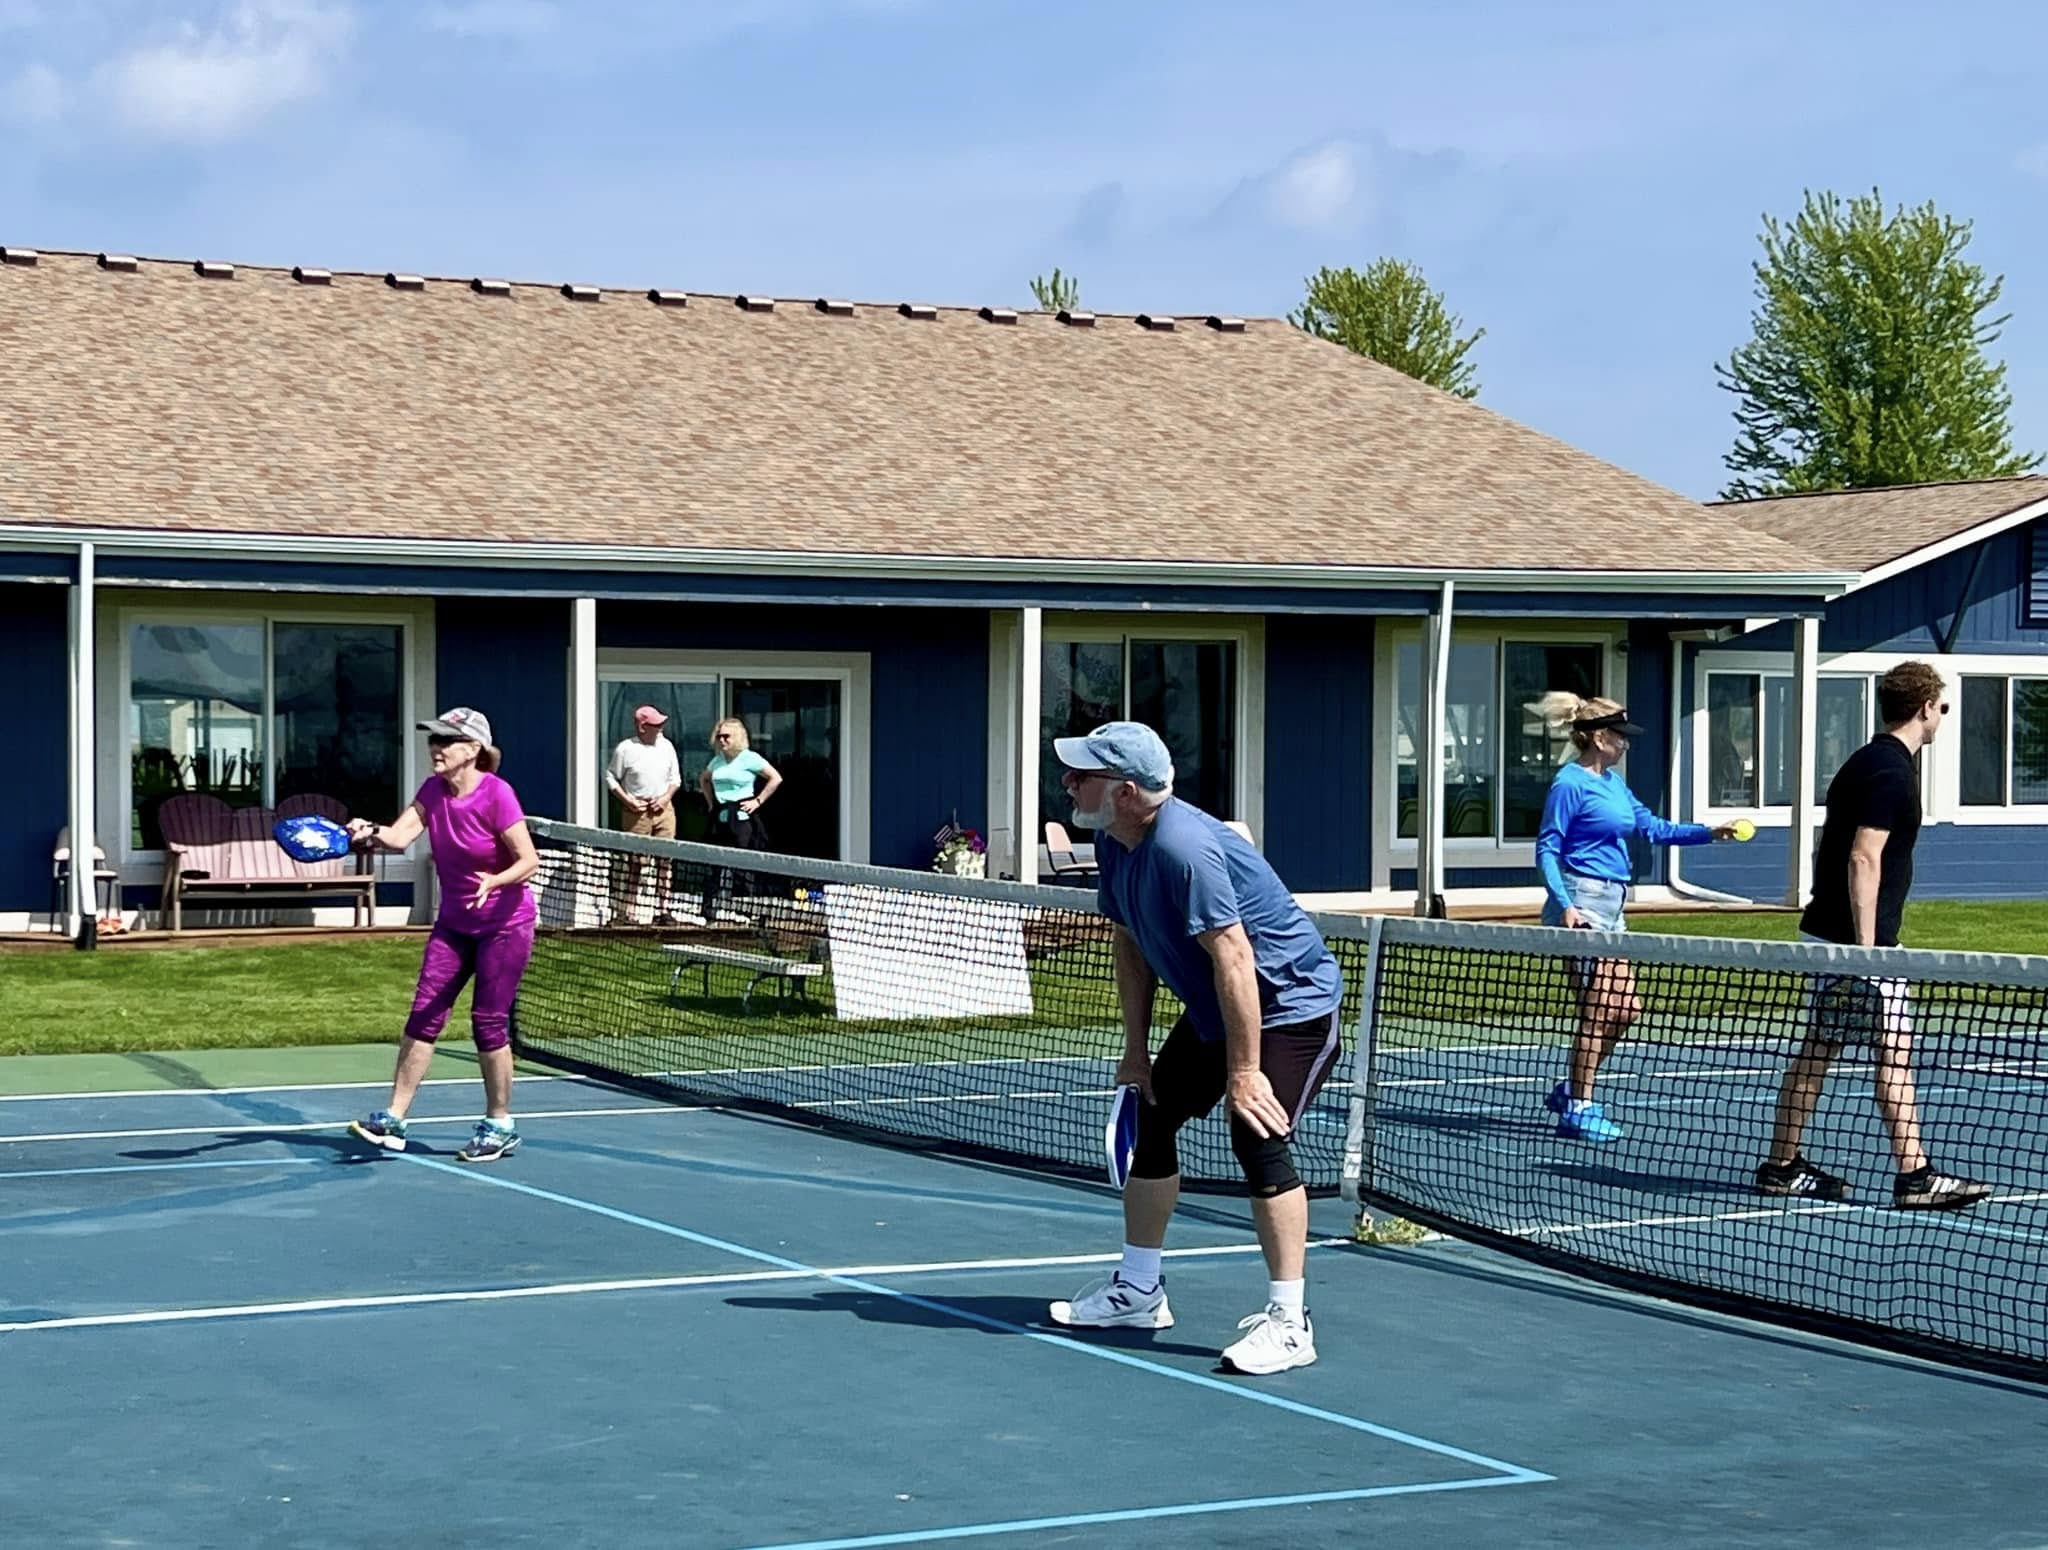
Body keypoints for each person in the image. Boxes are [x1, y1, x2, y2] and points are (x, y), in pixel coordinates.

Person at [1044, 721, 1344, 1376]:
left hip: (1292, 1008)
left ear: (1125, 791)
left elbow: (1235, 956)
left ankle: (1290, 1324)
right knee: (1153, 1115)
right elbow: (1130, 942)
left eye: (1083, 774)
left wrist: (1245, 1072)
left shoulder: (1183, 849)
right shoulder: (1115, 840)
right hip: (1220, 1006)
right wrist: (1136, 1050)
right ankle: (1138, 1291)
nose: (1067, 781)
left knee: (1255, 1133)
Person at [1755, 662, 1991, 1210]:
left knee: (1822, 1049)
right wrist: (1866, 953)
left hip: (1838, 938)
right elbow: (1863, 856)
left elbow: (1834, 846)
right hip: (1859, 946)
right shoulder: (1889, 772)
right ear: (1926, 707)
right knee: (1889, 1053)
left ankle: (1782, 1166)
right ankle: (1914, 1176)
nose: (1942, 717)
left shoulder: (1868, 761)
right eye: (1942, 707)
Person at [1531, 693, 1742, 1142]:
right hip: (1582, 902)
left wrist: (1708, 833)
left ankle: (1571, 1089)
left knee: (1627, 1010)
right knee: (1597, 1010)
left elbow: (1652, 828)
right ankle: (1580, 1107)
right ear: (1599, 737)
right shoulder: (1568, 784)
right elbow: (1547, 848)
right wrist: (1565, 904)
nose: (1626, 743)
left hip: (1614, 905)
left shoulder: (1613, 784)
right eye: (1620, 736)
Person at [346, 706, 539, 1164]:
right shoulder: (433, 791)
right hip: (454, 924)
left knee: (488, 1022)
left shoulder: (497, 794)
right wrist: (368, 832)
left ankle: (499, 1124)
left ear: (473, 749)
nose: (436, 748)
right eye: (433, 740)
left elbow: (529, 860)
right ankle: (393, 1119)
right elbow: (399, 837)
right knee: (423, 1015)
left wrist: (495, 881)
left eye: (446, 741)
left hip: (504, 925)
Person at [697, 718, 782, 917]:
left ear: (737, 737)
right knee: (714, 863)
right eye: (719, 737)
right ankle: (708, 911)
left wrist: (757, 801)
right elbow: (704, 779)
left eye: (726, 736)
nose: (722, 740)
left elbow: (775, 778)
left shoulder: (750, 758)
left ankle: (747, 910)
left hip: (742, 817)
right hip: (720, 815)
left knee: (743, 864)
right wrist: (711, 804)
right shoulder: (717, 760)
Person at [606, 704, 682, 925]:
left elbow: (675, 779)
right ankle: (628, 911)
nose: (660, 728)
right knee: (636, 862)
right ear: (642, 726)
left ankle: (664, 910)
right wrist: (627, 800)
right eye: (655, 724)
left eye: (661, 724)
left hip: (663, 810)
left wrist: (665, 798)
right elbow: (611, 777)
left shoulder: (667, 746)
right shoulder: (625, 749)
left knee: (665, 861)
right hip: (636, 812)